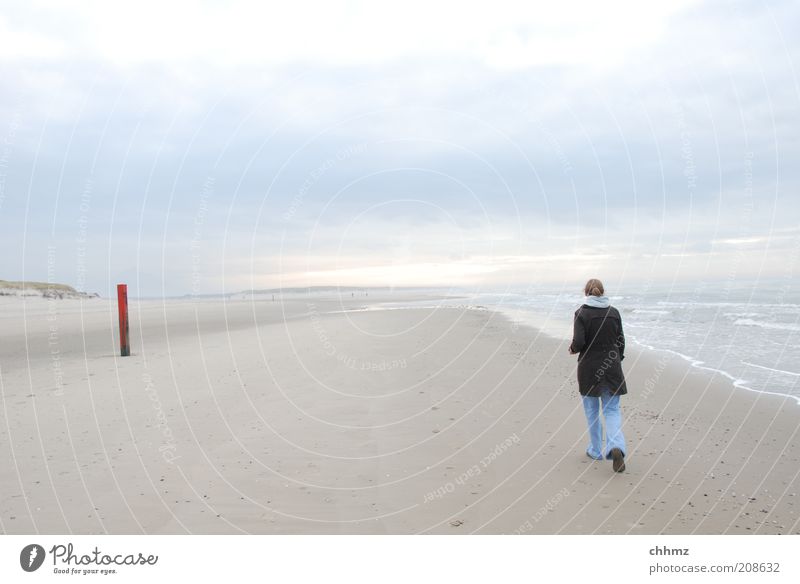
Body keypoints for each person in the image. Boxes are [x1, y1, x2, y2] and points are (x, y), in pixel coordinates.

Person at [569, 278, 628, 472]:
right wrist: (617, 358)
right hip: (612, 367)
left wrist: (573, 348)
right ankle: (616, 446)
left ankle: (595, 450)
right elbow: (621, 341)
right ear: (603, 292)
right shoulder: (614, 312)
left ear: (586, 292)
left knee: (592, 411)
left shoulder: (581, 313)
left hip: (589, 369)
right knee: (612, 410)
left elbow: (579, 341)